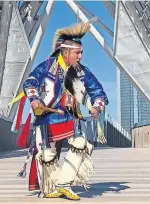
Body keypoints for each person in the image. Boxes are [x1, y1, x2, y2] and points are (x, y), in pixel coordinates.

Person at [18, 20, 108, 200]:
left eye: (81, 52)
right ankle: (51, 188)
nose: (80, 56)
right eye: (77, 52)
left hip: (70, 118)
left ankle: (64, 182)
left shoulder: (82, 72)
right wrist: (34, 99)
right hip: (47, 118)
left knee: (81, 144)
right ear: (66, 53)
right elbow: (30, 82)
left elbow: (98, 92)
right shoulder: (47, 66)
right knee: (47, 154)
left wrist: (97, 107)